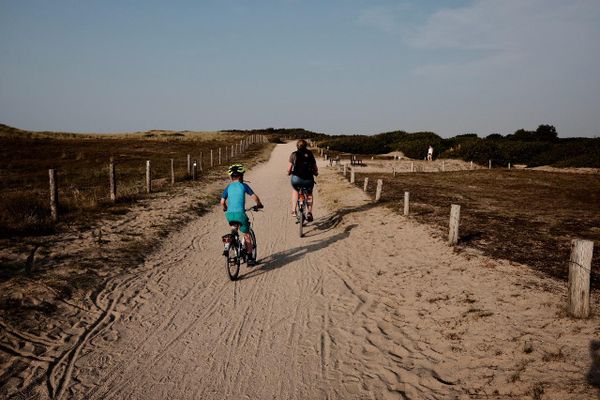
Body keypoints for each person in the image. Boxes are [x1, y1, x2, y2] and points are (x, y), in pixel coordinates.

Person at [220, 164, 263, 266]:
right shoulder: (244, 186)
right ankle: (249, 258)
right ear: (241, 176)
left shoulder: (228, 187)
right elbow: (255, 197)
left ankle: (233, 248)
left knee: (234, 228)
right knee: (247, 235)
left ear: (231, 177)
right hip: (240, 214)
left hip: (229, 215)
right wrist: (259, 204)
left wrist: (225, 208)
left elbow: (222, 202)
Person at [287, 139, 318, 221]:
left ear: (297, 146)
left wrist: (289, 173)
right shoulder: (310, 154)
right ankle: (309, 212)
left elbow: (289, 169)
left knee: (295, 190)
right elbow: (315, 168)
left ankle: (294, 210)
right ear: (306, 146)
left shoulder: (293, 154)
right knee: (309, 193)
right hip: (308, 179)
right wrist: (315, 173)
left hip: (296, 179)